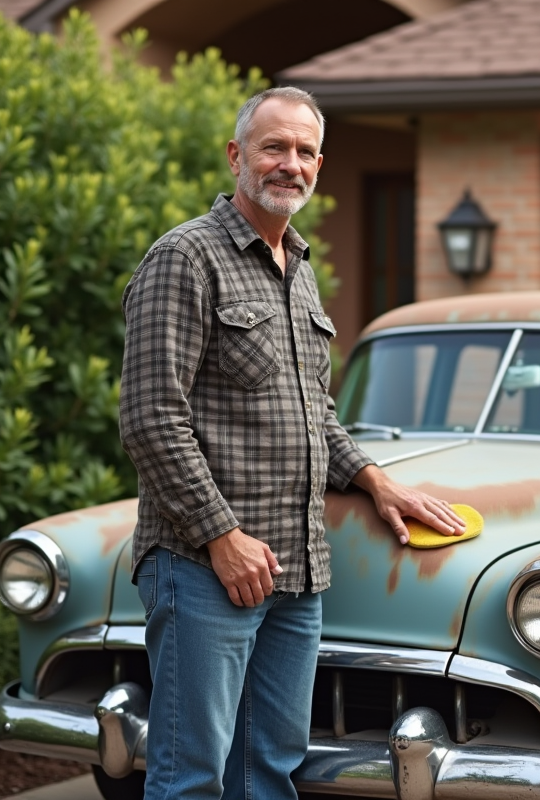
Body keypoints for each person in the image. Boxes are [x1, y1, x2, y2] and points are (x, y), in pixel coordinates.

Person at [118, 86, 465, 800]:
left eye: (305, 152)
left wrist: (373, 478)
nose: (291, 164)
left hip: (297, 571)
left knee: (269, 773)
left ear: (320, 164)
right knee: (191, 778)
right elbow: (151, 417)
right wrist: (222, 537)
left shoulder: (299, 270)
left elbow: (315, 416)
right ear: (236, 154)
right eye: (275, 146)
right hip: (203, 568)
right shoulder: (185, 259)